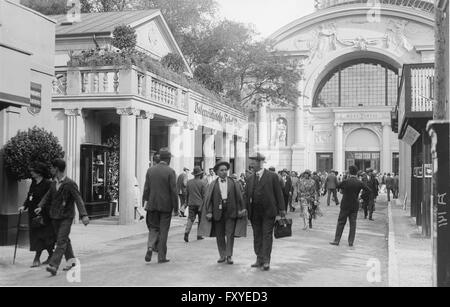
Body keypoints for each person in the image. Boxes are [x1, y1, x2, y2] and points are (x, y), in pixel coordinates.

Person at [35, 159, 90, 276]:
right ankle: (72, 261)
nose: (50, 170)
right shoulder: (53, 183)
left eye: (52, 168)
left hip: (66, 216)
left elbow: (78, 199)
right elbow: (48, 195)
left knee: (60, 241)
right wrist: (40, 206)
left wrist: (84, 215)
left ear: (57, 169)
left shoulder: (70, 183)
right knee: (64, 240)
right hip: (55, 216)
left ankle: (53, 265)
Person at [199, 161, 247, 265]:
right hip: (217, 213)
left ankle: (229, 256)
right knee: (219, 235)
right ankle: (222, 255)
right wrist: (209, 212)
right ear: (217, 172)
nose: (224, 172)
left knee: (230, 235)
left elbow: (239, 197)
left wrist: (240, 209)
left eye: (226, 170)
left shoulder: (234, 182)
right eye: (222, 170)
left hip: (231, 212)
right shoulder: (212, 184)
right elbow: (209, 200)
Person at [244, 153, 286, 271]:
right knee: (257, 236)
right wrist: (245, 208)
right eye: (251, 161)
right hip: (255, 213)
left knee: (267, 235)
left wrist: (282, 209)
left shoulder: (272, 176)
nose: (251, 164)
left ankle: (266, 260)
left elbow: (278, 193)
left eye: (253, 161)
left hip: (268, 212)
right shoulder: (250, 178)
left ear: (260, 162)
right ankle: (259, 258)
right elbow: (246, 195)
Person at [143, 148, 178, 264]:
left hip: (152, 205)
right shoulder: (170, 171)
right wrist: (176, 208)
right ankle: (161, 257)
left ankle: (150, 247)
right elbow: (173, 191)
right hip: (165, 207)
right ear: (168, 159)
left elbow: (146, 188)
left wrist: (145, 201)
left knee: (153, 228)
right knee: (163, 231)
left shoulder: (150, 170)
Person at [19, 162, 55, 268]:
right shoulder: (33, 183)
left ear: (39, 172)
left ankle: (37, 258)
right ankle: (50, 255)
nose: (31, 172)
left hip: (44, 215)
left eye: (33, 171)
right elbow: (30, 196)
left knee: (43, 237)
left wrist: (43, 209)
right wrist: (24, 206)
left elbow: (50, 199)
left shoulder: (48, 183)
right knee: (37, 236)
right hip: (33, 213)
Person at [330, 165, 371, 247]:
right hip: (354, 205)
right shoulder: (359, 182)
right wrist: (361, 197)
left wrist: (335, 178)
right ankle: (350, 242)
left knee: (341, 223)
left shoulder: (346, 181)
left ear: (349, 172)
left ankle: (337, 240)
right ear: (356, 172)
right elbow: (369, 190)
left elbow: (337, 186)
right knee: (353, 224)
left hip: (345, 204)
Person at [184, 166, 207, 243]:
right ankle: (199, 235)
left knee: (190, 218)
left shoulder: (189, 182)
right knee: (200, 220)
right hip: (200, 204)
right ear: (200, 174)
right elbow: (204, 195)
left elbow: (186, 194)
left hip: (191, 203)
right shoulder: (202, 183)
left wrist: (186, 203)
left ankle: (187, 232)